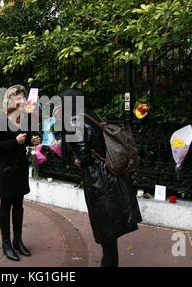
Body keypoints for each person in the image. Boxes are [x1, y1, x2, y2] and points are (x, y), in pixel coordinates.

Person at [58, 89, 142, 267]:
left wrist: (76, 160)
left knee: (106, 231)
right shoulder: (90, 114)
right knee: (111, 232)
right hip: (111, 175)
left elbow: (84, 157)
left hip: (99, 181)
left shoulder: (73, 121)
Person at [0, 85, 41, 261]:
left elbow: (28, 139)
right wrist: (15, 141)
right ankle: (6, 243)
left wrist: (33, 140)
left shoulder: (25, 119)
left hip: (20, 167)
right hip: (6, 170)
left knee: (19, 206)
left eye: (23, 98)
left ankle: (18, 241)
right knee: (5, 207)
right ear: (9, 100)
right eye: (18, 98)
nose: (21, 101)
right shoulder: (0, 120)